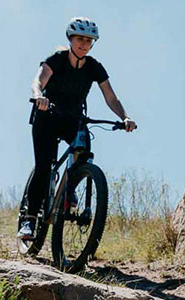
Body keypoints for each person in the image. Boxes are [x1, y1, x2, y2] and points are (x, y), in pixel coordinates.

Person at [18, 17, 137, 239]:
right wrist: (38, 96)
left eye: (89, 40)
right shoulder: (57, 59)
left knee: (84, 150)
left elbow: (111, 97)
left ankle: (69, 190)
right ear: (70, 39)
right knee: (44, 168)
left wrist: (125, 116)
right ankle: (29, 220)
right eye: (80, 39)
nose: (84, 44)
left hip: (73, 119)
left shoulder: (94, 67)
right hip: (47, 116)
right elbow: (38, 81)